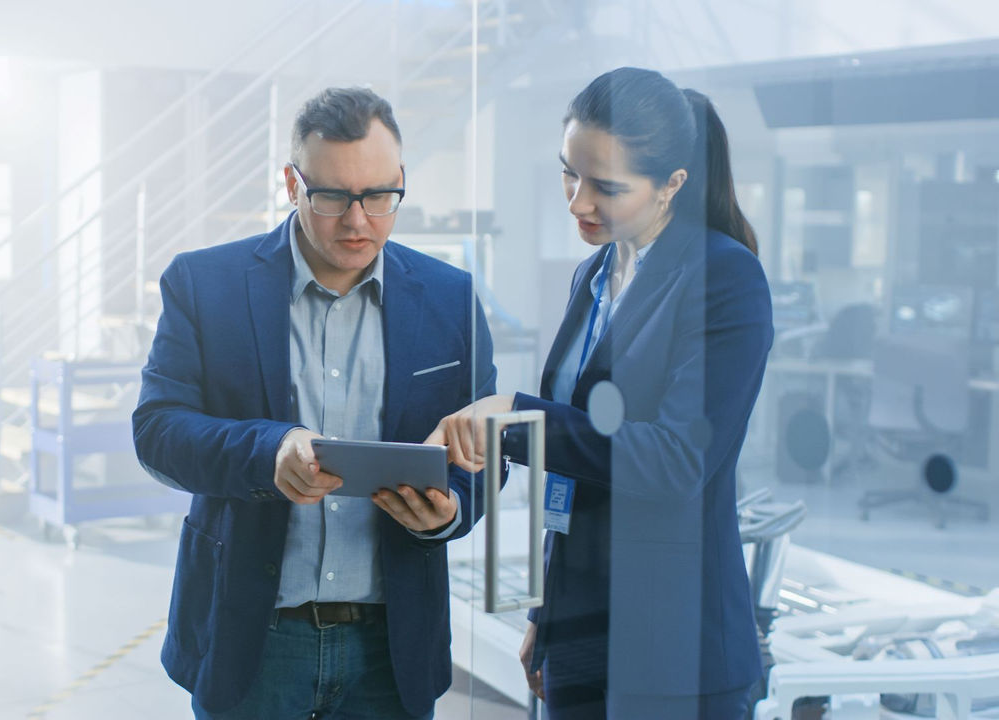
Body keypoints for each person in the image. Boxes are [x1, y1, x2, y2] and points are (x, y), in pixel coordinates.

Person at [132, 86, 496, 720]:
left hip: (393, 648)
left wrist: (448, 515)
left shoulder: (451, 299)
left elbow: (486, 457)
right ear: (291, 183)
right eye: (331, 197)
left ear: (401, 180)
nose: (358, 221)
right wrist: (267, 449)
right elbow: (158, 433)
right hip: (254, 642)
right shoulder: (204, 284)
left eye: (380, 196)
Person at [427, 67, 773, 718]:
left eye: (606, 186)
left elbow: (675, 461)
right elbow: (581, 471)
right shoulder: (594, 274)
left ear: (673, 184)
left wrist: (517, 418)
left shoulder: (725, 277)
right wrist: (546, 613)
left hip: (675, 648)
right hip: (581, 631)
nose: (577, 202)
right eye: (569, 173)